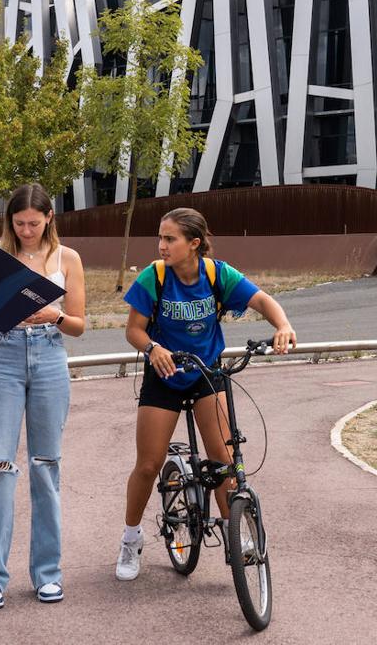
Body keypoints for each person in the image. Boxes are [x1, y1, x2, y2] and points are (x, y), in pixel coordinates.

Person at [115, 207, 296, 581]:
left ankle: (235, 537)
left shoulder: (216, 274)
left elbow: (261, 300)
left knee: (223, 461)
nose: (162, 245)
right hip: (163, 374)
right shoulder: (155, 276)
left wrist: (283, 325)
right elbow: (133, 329)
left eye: (171, 239)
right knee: (148, 465)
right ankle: (131, 538)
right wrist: (153, 349)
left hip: (206, 374)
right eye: (160, 238)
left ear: (194, 243)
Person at [0, 183, 86, 609]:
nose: (27, 230)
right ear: (9, 221)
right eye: (19, 223)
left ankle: (47, 573)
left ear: (50, 218)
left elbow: (79, 325)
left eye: (34, 223)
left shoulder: (67, 258)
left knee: (46, 465)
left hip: (50, 353)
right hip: (2, 352)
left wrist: (54, 313)